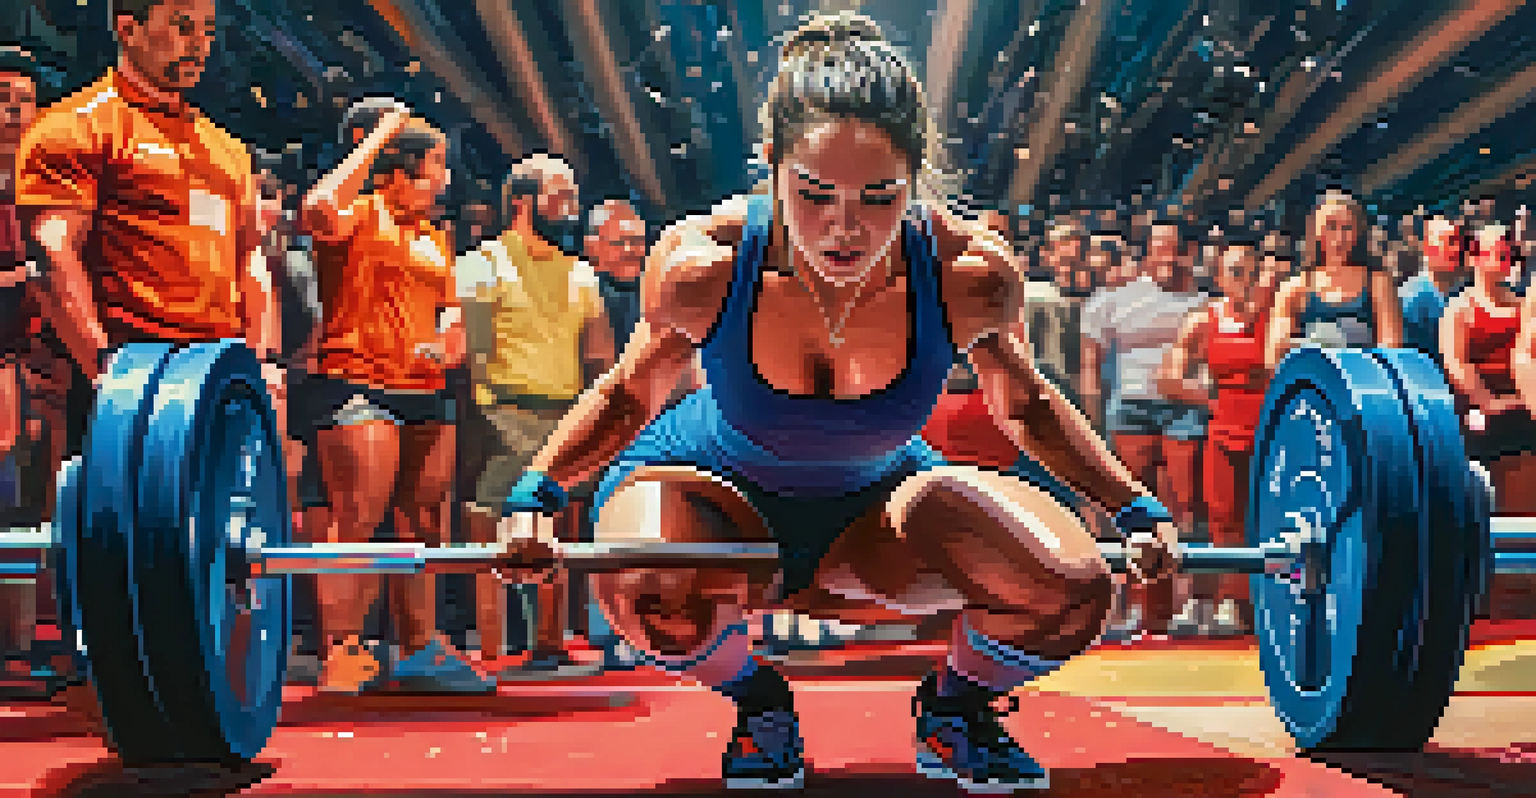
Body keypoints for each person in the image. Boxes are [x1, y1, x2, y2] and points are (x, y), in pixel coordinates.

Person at [498, 14, 1179, 792]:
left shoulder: (969, 273)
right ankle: (758, 701)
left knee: (1072, 590)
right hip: (707, 492)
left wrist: (1131, 508)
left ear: (916, 176)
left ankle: (954, 710)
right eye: (815, 194)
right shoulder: (706, 263)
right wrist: (536, 496)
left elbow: (1024, 404)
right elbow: (628, 394)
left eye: (880, 196)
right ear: (772, 165)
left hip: (875, 509)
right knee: (655, 593)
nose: (845, 227)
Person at [300, 97, 486, 693]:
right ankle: (344, 649)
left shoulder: (436, 236)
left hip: (425, 390)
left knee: (426, 524)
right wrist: (381, 134)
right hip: (357, 381)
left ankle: (419, 647)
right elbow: (318, 208)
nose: (446, 179)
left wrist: (450, 343)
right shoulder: (359, 213)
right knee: (357, 518)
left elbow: (450, 313)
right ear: (399, 170)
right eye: (437, 166)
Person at [455, 155, 614, 676]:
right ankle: (492, 650)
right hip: (500, 414)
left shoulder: (582, 274)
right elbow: (471, 352)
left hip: (564, 414)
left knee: (558, 531)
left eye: (572, 195)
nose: (571, 208)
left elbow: (599, 355)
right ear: (522, 202)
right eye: (559, 195)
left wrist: (592, 418)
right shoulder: (482, 263)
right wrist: (484, 414)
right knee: (488, 533)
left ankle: (550, 641)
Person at [1080, 217, 1209, 639]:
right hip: (1130, 409)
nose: (1166, 255)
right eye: (1159, 247)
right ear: (1146, 252)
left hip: (1183, 408)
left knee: (1184, 510)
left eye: (1174, 247)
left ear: (1187, 251)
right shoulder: (1111, 301)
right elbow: (1089, 368)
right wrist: (1090, 422)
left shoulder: (1204, 302)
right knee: (1134, 512)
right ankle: (1134, 605)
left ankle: (1187, 606)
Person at [1159, 239, 1275, 636]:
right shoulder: (1203, 319)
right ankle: (1226, 600)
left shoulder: (1276, 316)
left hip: (1270, 427)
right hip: (1225, 425)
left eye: (1251, 270)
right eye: (1235, 271)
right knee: (1222, 518)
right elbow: (1168, 379)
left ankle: (1261, 603)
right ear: (1220, 278)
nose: (1244, 279)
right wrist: (1211, 401)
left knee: (1266, 516)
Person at [1266, 191, 1403, 367]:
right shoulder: (1294, 289)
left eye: (1347, 228)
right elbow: (1274, 358)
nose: (1339, 238)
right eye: (1331, 227)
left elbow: (1392, 351)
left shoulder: (1377, 283)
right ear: (1316, 230)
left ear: (1358, 233)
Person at [0, 44, 38, 666]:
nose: (13, 111)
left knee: (27, 504)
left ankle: (23, 649)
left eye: (24, 101)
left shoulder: (49, 183)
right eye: (2, 100)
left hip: (37, 368)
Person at [1399, 216, 1467, 362]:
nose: (1456, 249)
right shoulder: (1412, 298)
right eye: (1449, 242)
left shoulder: (1465, 292)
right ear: (1427, 247)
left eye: (1458, 242)